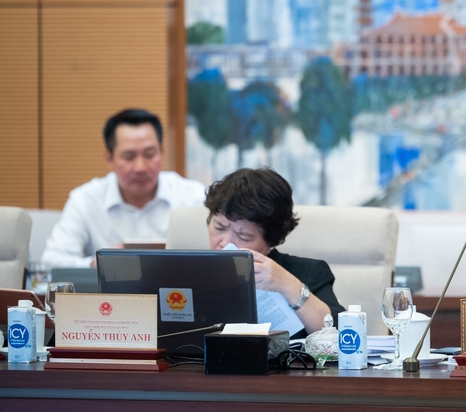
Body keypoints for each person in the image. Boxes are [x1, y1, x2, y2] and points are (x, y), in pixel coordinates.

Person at [41, 109, 206, 268]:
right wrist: (97, 264)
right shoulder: (85, 200)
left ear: (161, 152)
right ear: (109, 158)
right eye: (129, 157)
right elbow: (51, 262)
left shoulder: (193, 197)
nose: (140, 167)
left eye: (149, 154)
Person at [205, 167, 344, 338]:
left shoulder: (309, 272)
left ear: (271, 240)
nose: (225, 243)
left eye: (243, 236)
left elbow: (338, 333)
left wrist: (287, 284)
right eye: (219, 228)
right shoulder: (187, 271)